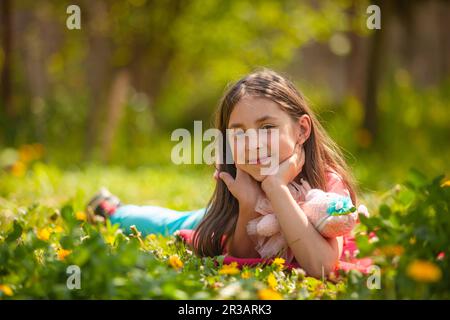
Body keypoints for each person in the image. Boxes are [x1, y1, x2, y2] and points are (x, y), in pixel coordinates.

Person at [86, 68, 358, 278]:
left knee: (176, 221)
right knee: (172, 224)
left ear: (302, 130)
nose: (253, 143)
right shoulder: (242, 177)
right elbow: (240, 256)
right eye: (239, 132)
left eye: (267, 128)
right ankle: (113, 211)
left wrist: (276, 188)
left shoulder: (326, 186)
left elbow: (321, 268)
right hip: (224, 221)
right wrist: (248, 206)